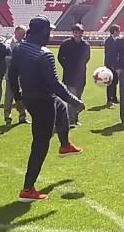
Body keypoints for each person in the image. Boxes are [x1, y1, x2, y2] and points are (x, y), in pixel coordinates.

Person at [8, 15, 84, 202]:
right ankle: (27, 188)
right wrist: (76, 101)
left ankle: (65, 144)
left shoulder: (18, 49)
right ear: (42, 32)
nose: (50, 34)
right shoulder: (44, 54)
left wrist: (18, 98)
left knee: (61, 106)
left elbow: (11, 75)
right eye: (49, 30)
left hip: (30, 97)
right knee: (40, 143)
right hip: (43, 101)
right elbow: (55, 85)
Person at [58, 23, 91, 128]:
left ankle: (75, 119)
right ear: (73, 33)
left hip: (81, 76)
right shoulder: (66, 43)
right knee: (71, 98)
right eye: (75, 32)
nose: (77, 34)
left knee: (78, 98)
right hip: (70, 76)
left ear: (82, 33)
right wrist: (67, 67)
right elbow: (60, 57)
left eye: (79, 32)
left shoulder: (86, 45)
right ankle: (70, 120)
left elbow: (87, 58)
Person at [4, 25, 28, 126]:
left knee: (22, 97)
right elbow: (6, 58)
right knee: (9, 97)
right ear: (16, 32)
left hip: (22, 75)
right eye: (22, 33)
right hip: (11, 75)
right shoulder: (9, 43)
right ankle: (7, 118)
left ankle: (22, 116)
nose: (23, 36)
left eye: (24, 34)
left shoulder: (24, 44)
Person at [104, 24, 121, 107]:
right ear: (115, 31)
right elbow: (109, 55)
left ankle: (114, 98)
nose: (119, 32)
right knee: (110, 83)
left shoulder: (115, 40)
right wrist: (111, 66)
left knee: (115, 82)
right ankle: (109, 99)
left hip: (115, 65)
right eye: (118, 31)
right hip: (110, 65)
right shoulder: (109, 41)